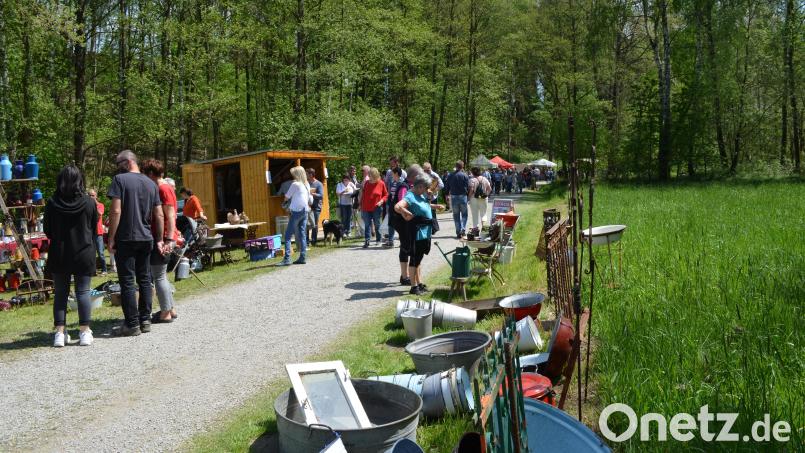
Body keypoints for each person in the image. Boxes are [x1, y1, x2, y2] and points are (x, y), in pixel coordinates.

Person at [108, 150, 163, 336]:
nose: (117, 168)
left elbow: (116, 211)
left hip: (126, 237)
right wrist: (159, 238)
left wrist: (111, 237)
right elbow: (159, 214)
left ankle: (132, 324)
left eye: (119, 164)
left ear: (128, 161)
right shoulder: (151, 183)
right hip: (146, 237)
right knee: (145, 279)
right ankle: (145, 320)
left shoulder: (119, 180)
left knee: (127, 281)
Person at [44, 165, 98, 347]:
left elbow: (47, 231)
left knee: (60, 293)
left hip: (59, 253)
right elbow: (93, 228)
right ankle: (84, 332)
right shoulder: (89, 202)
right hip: (84, 252)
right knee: (83, 292)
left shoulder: (52, 203)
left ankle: (59, 334)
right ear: (79, 181)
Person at [142, 159, 178, 323]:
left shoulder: (163, 188)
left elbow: (170, 215)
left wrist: (168, 239)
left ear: (150, 173)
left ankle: (165, 313)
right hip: (163, 237)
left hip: (163, 238)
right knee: (162, 275)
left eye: (145, 174)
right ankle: (170, 308)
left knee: (159, 276)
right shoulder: (162, 187)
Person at [395, 174, 444, 296]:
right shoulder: (410, 196)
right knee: (414, 259)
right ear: (420, 186)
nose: (427, 190)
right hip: (416, 233)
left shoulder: (420, 194)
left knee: (418, 259)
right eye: (425, 187)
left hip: (424, 232)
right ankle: (413, 287)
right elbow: (397, 206)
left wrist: (435, 206)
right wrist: (406, 212)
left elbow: (424, 204)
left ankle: (419, 283)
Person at [280, 166, 312, 265]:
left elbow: (286, 197)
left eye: (293, 174)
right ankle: (302, 257)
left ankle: (287, 258)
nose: (292, 176)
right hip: (305, 211)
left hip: (296, 211)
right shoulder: (306, 184)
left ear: (297, 174)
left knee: (288, 235)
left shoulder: (295, 184)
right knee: (302, 234)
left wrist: (285, 202)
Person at [360, 167, 387, 248]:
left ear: (375, 175)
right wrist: (360, 205)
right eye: (369, 175)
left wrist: (381, 201)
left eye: (371, 175)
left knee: (377, 224)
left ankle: (378, 239)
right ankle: (367, 240)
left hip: (376, 208)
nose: (369, 177)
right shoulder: (367, 183)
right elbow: (364, 195)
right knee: (367, 224)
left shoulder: (381, 183)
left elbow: (386, 195)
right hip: (366, 207)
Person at [446, 160, 470, 239]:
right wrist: (468, 196)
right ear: (462, 166)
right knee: (464, 214)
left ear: (456, 166)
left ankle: (458, 232)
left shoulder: (450, 175)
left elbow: (447, 186)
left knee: (456, 215)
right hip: (463, 196)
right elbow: (468, 186)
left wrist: (447, 195)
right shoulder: (465, 175)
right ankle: (463, 228)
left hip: (454, 196)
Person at [88, 189, 108, 275]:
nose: (91, 197)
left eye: (93, 195)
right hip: (90, 232)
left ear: (96, 196)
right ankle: (93, 271)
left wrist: (95, 203)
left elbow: (100, 213)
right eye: (90, 195)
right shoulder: (87, 206)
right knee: (91, 253)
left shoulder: (100, 205)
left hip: (99, 233)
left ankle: (104, 270)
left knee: (101, 253)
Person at [468, 167, 492, 233]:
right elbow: (490, 189)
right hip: (483, 198)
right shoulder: (485, 179)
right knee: (483, 214)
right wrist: (486, 195)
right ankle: (484, 229)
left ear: (472, 173)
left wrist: (468, 198)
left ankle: (475, 229)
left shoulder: (472, 180)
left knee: (474, 214)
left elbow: (471, 190)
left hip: (474, 199)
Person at [385, 167, 403, 247]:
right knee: (391, 223)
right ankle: (390, 240)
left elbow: (402, 197)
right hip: (392, 206)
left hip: (398, 206)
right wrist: (388, 203)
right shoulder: (392, 183)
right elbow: (390, 194)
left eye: (392, 173)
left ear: (396, 174)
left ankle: (402, 241)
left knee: (400, 224)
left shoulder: (402, 183)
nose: (391, 175)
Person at [307, 168, 324, 246]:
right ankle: (306, 241)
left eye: (307, 174)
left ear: (311, 174)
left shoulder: (319, 184)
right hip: (308, 206)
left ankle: (314, 240)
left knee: (314, 224)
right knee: (306, 224)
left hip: (316, 207)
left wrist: (312, 194)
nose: (306, 175)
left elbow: (321, 195)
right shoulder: (306, 183)